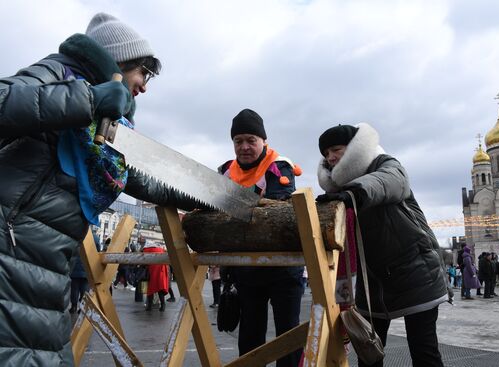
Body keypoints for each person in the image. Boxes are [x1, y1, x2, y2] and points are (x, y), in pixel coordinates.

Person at [0, 13, 204, 365]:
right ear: (118, 61)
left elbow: (147, 179)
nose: (145, 85)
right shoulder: (59, 73)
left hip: (48, 268)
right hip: (10, 252)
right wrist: (87, 100)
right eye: (144, 72)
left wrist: (214, 195)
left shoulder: (110, 126)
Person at [315, 123, 451, 367]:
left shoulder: (385, 164)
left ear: (355, 147)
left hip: (416, 272)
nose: (330, 157)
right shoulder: (339, 190)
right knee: (368, 352)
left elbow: (390, 181)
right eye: (326, 154)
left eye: (336, 149)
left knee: (424, 351)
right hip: (373, 281)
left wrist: (354, 194)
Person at [219, 108, 304, 367]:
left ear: (264, 141)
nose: (244, 147)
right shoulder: (225, 171)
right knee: (249, 339)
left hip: (283, 268)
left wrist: (232, 212)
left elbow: (277, 209)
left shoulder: (279, 167)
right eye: (238, 141)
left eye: (251, 140)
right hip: (246, 270)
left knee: (287, 338)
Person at [143, 242, 170, 312]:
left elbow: (143, 260)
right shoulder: (161, 249)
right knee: (160, 289)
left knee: (150, 289)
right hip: (162, 271)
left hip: (152, 271)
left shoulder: (146, 250)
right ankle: (163, 305)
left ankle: (149, 306)